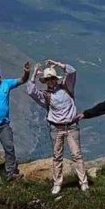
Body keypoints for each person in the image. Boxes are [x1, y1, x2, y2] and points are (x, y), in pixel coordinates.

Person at [26, 60, 89, 195]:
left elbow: (72, 71)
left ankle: (83, 183)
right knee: (57, 156)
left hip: (71, 126)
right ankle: (57, 183)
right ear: (45, 81)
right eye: (48, 79)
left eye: (53, 78)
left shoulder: (67, 86)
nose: (51, 81)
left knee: (77, 155)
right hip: (56, 128)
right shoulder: (46, 96)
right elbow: (30, 91)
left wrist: (58, 64)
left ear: (56, 78)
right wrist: (33, 74)